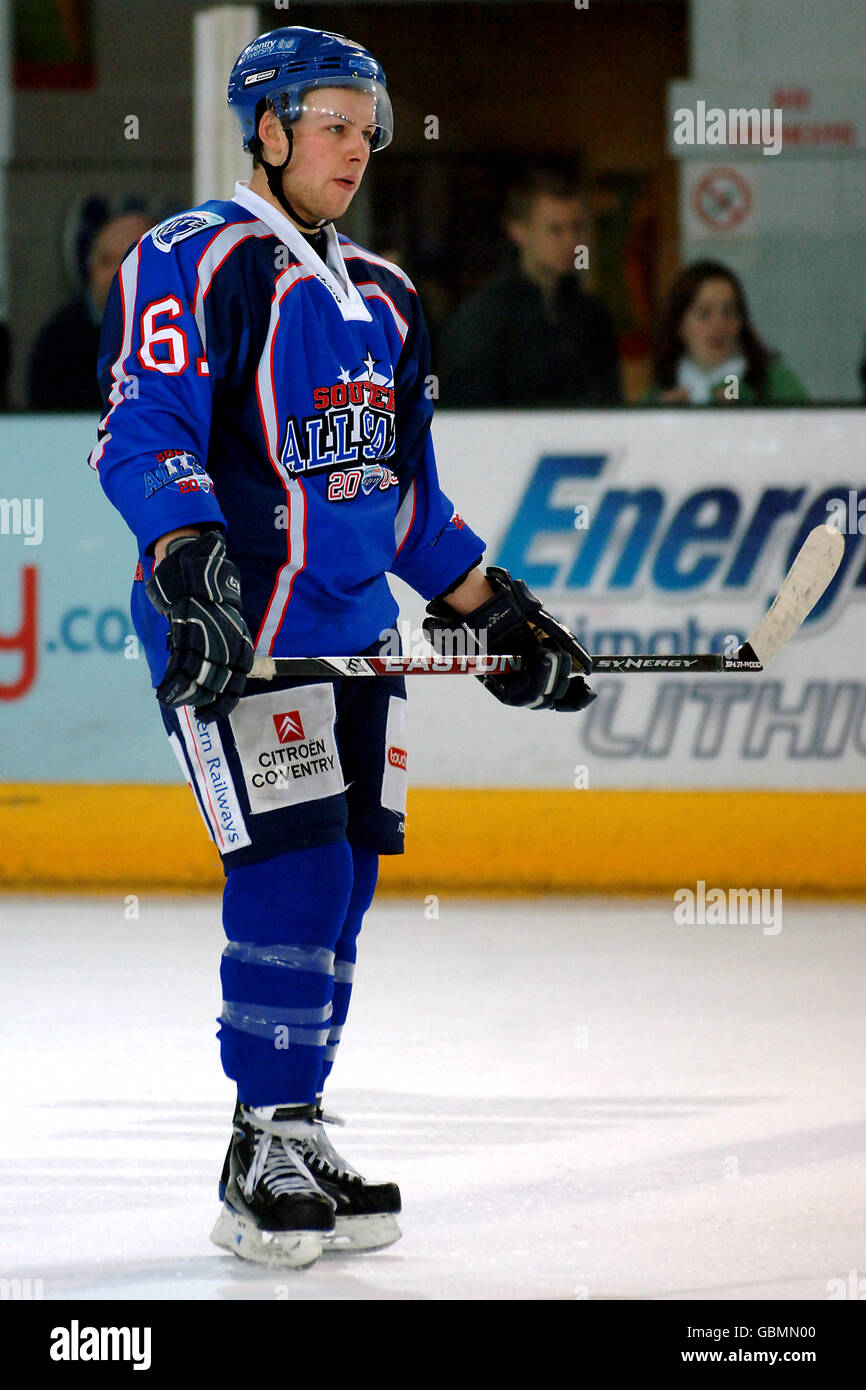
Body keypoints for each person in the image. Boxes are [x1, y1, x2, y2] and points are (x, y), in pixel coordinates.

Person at [89, 25, 595, 1271]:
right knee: (296, 875)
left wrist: (489, 605)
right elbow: (139, 425)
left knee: (350, 885)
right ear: (264, 129)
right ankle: (255, 1137)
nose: (356, 147)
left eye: (368, 127)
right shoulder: (192, 256)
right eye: (330, 122)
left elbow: (403, 495)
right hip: (243, 636)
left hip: (355, 640)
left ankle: (300, 1119)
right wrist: (184, 557)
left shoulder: (386, 294)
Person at [438, 167, 621, 407]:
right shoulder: (484, 317)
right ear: (518, 231)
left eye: (576, 228)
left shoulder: (592, 315)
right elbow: (464, 408)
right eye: (555, 230)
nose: (570, 241)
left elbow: (609, 400)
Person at [28, 210, 151, 411]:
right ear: (90, 267)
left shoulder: (187, 332)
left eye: (128, 259)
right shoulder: (59, 340)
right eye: (105, 261)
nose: (116, 272)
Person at [643, 260, 807, 405]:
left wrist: (744, 409)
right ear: (679, 326)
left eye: (729, 312)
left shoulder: (774, 382)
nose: (719, 325)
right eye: (704, 314)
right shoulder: (660, 391)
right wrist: (661, 420)